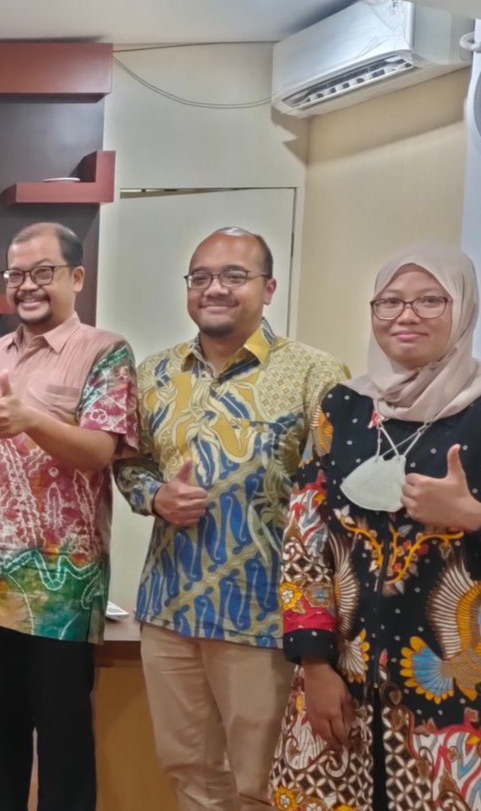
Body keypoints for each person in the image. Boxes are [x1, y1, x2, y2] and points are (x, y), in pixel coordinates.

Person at [114, 227, 348, 810]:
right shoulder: (154, 374)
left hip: (265, 618)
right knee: (187, 768)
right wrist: (154, 497)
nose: (214, 288)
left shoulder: (316, 376)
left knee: (260, 781)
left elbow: (337, 504)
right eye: (201, 277)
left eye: (234, 276)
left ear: (269, 288)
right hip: (171, 609)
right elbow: (130, 463)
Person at [269, 246, 481, 811]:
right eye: (389, 301)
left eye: (430, 300)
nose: (405, 315)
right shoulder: (345, 407)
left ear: (463, 310)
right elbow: (304, 540)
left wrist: (473, 518)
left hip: (456, 700)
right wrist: (313, 663)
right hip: (345, 677)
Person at [0, 221, 139, 811]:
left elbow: (102, 452)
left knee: (63, 752)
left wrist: (31, 420)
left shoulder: (106, 352)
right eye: (16, 275)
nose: (27, 286)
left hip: (62, 594)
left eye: (43, 273)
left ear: (76, 278)